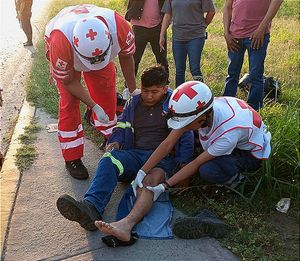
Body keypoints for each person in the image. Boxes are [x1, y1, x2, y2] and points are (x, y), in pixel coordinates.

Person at [56, 65, 194, 243]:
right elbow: (122, 124)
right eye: (145, 91)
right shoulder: (134, 102)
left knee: (149, 183)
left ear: (165, 89)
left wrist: (184, 166)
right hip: (134, 155)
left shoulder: (174, 104)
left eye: (154, 91)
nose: (149, 96)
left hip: (161, 161)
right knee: (109, 160)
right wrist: (116, 140)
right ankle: (91, 208)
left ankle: (126, 225)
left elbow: (186, 135)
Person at [134, 81, 271, 236]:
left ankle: (238, 180)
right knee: (190, 140)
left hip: (248, 153)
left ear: (202, 119)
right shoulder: (204, 110)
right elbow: (167, 144)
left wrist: (165, 185)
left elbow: (196, 163)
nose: (182, 127)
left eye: (186, 124)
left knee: (207, 170)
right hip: (237, 132)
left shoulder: (227, 135)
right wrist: (142, 170)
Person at [44, 4, 138, 179]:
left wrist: (133, 90)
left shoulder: (120, 26)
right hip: (65, 49)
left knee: (106, 93)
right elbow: (69, 81)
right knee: (69, 103)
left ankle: (110, 136)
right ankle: (72, 157)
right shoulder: (60, 40)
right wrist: (93, 106)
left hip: (88, 46)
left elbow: (126, 56)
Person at [223, 0, 283, 111]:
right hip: (235, 36)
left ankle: (253, 111)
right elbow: (227, 6)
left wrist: (261, 28)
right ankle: (226, 107)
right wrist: (226, 32)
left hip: (257, 35)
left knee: (255, 75)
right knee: (232, 74)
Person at [159, 0, 215, 87]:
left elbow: (211, 11)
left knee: (195, 69)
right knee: (179, 69)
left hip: (196, 36)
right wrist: (162, 35)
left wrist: (204, 25)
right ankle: (178, 97)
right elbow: (168, 14)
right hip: (178, 37)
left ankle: (202, 94)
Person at [125, 0, 169, 79]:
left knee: (162, 59)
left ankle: (164, 84)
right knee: (134, 59)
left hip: (158, 27)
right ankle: (129, 87)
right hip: (139, 27)